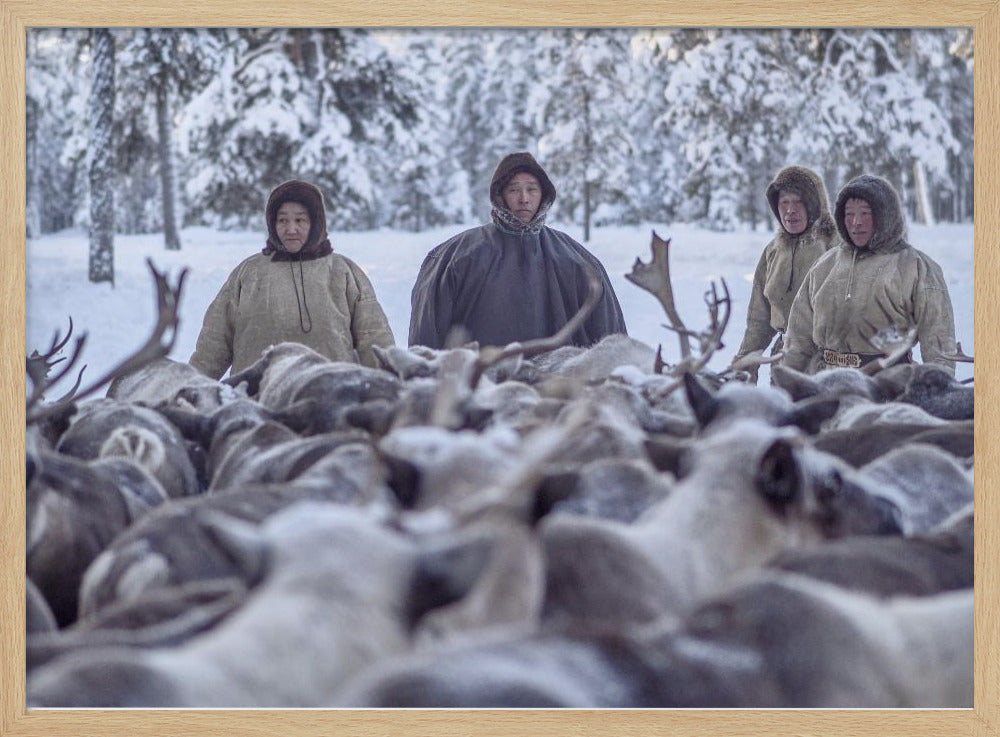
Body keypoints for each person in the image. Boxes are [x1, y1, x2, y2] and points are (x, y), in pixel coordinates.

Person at [408, 152, 627, 349]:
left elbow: (612, 348)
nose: (524, 198)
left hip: (560, 381)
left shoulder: (578, 262)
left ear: (544, 194)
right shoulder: (454, 259)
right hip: (478, 380)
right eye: (513, 189)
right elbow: (425, 346)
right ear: (500, 195)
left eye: (532, 189)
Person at [189, 179, 394, 379]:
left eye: (300, 220)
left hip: (333, 394)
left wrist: (391, 385)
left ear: (316, 223)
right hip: (257, 395)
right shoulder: (248, 273)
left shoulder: (344, 272)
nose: (291, 229)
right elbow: (214, 343)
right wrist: (190, 386)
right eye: (282, 220)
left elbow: (374, 339)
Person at [782, 174, 956, 375]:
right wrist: (789, 379)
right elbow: (799, 338)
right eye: (849, 214)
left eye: (866, 213)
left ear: (885, 215)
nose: (856, 222)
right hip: (827, 381)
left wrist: (939, 382)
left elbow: (938, 343)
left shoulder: (917, 267)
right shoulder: (824, 266)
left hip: (889, 383)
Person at [732, 166, 840, 381]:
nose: (790, 210)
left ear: (814, 204)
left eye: (798, 201)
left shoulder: (837, 247)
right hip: (783, 360)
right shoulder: (773, 252)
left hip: (828, 362)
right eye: (784, 202)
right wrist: (745, 360)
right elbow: (759, 318)